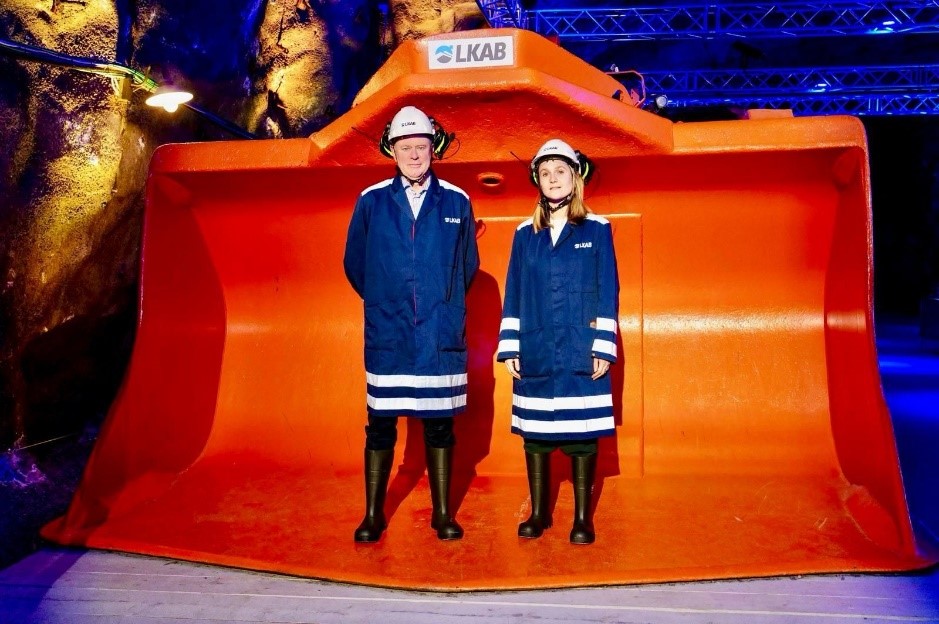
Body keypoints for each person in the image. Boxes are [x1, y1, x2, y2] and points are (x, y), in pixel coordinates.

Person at [344, 106, 479, 542]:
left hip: (439, 333)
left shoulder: (457, 200)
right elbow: (354, 264)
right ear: (392, 150)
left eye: (421, 146)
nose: (414, 155)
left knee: (440, 423)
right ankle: (372, 515)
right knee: (380, 422)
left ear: (433, 149)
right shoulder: (371, 200)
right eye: (406, 148)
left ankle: (442, 515)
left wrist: (440, 303)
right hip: (390, 332)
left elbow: (467, 268)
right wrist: (387, 300)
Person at [497, 138, 619, 545]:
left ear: (575, 178)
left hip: (581, 346)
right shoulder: (523, 235)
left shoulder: (598, 230)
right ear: (538, 180)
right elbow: (513, 291)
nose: (553, 179)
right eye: (545, 173)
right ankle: (538, 513)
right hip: (536, 347)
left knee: (583, 439)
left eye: (560, 172)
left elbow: (608, 291)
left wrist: (602, 344)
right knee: (536, 437)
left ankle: (582, 519)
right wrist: (511, 344)